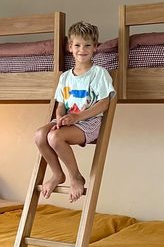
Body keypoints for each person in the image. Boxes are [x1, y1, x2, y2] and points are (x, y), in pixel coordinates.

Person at [34, 21, 115, 203]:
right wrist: (59, 118)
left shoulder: (99, 74)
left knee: (54, 138)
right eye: (77, 45)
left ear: (95, 47)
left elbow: (104, 103)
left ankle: (75, 177)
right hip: (69, 120)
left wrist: (77, 117)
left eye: (87, 45)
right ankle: (57, 174)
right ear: (70, 47)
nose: (82, 49)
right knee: (40, 135)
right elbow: (61, 104)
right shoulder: (65, 77)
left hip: (89, 122)